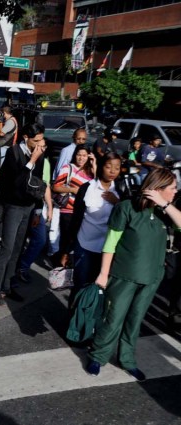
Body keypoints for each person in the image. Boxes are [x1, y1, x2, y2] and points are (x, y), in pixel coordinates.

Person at [86, 168, 181, 380]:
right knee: (113, 319)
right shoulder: (126, 208)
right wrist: (103, 274)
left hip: (151, 278)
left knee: (135, 321)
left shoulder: (166, 213)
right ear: (158, 188)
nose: (176, 191)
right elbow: (110, 243)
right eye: (173, 188)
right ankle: (98, 356)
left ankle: (127, 359)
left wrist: (165, 205)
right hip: (123, 276)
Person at [0, 123, 47, 306]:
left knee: (18, 248)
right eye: (36, 140)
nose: (40, 144)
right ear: (26, 138)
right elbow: (16, 183)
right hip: (13, 206)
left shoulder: (39, 154)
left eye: (41, 140)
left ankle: (7, 285)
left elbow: (38, 184)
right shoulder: (13, 154)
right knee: (7, 248)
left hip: (29, 207)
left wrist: (38, 208)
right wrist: (31, 162)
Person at [61, 153, 122, 303]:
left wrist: (118, 203)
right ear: (101, 167)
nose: (113, 171)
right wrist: (67, 250)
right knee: (81, 286)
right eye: (109, 167)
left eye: (117, 168)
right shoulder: (87, 188)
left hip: (108, 249)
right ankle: (74, 321)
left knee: (100, 288)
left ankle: (91, 322)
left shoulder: (121, 190)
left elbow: (128, 218)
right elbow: (76, 220)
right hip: (85, 244)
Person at [51, 145, 97, 259]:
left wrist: (94, 164)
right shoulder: (68, 168)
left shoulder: (90, 172)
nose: (81, 158)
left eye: (84, 156)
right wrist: (73, 190)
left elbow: (97, 185)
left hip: (83, 212)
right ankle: (60, 267)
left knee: (75, 241)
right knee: (66, 240)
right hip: (67, 210)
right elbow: (56, 187)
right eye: (79, 155)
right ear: (74, 155)